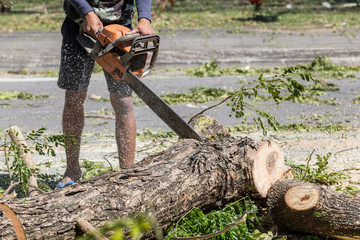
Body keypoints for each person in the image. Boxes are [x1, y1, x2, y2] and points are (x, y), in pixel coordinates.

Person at [57, 0, 155, 188]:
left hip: (120, 28)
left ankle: (126, 173)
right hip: (79, 25)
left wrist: (144, 17)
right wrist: (86, 12)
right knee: (74, 97)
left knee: (123, 101)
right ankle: (72, 171)